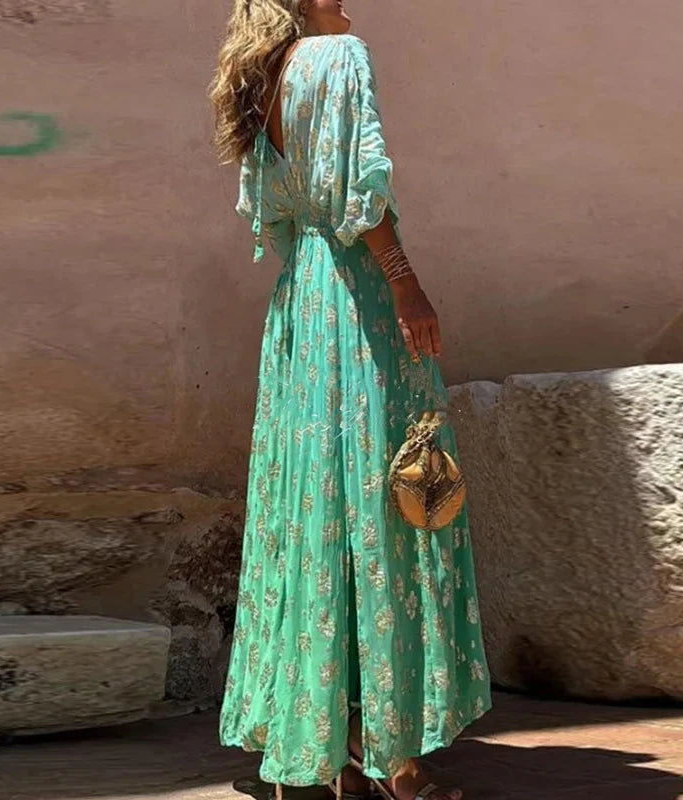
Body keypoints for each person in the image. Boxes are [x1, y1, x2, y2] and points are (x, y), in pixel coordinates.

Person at [210, 3, 491, 800]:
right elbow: (357, 193)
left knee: (316, 505)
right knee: (392, 503)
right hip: (359, 303)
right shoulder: (340, 56)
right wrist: (406, 284)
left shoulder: (262, 70)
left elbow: (278, 203)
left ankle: (332, 745)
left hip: (300, 302)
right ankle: (395, 757)